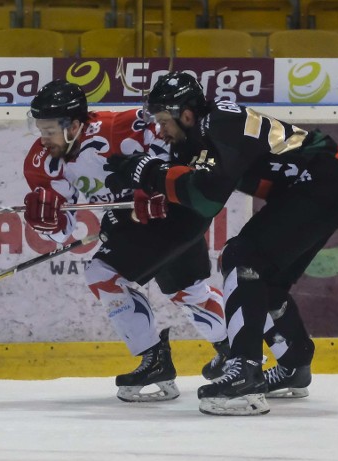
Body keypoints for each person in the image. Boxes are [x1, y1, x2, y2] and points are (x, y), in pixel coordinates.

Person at [104, 72, 338, 416]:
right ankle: (294, 365)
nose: (160, 131)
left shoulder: (218, 124)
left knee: (243, 258)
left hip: (321, 184)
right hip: (321, 187)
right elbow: (185, 189)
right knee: (266, 280)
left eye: (164, 121)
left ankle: (245, 372)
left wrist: (147, 173)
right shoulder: (198, 135)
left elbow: (207, 198)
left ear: (187, 114)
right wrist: (137, 192)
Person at [22, 79, 228, 403]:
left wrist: (156, 186)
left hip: (174, 212)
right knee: (189, 292)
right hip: (148, 219)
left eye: (50, 130)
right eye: (40, 129)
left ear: (75, 125)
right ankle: (235, 352)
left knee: (102, 273)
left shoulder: (121, 127)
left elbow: (181, 146)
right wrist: (47, 222)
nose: (43, 138)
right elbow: (63, 231)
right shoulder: (43, 163)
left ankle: (154, 358)